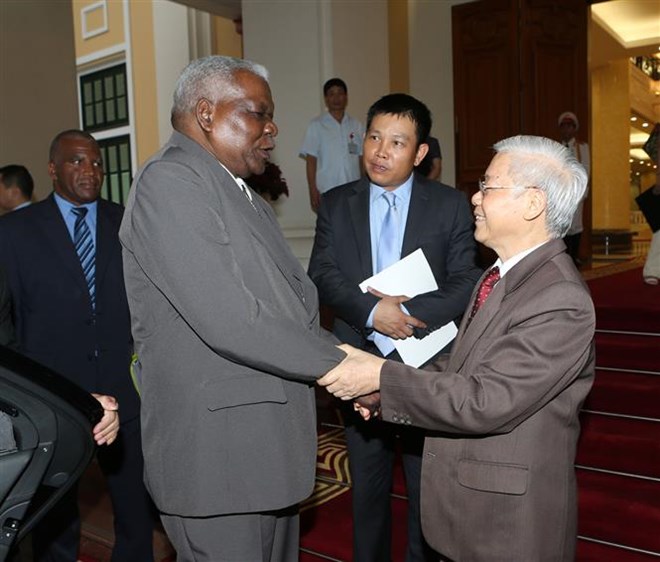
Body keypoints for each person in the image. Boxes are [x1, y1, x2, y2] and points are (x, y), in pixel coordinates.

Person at [318, 135, 595, 561]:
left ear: (532, 204)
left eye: (488, 187)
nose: (475, 199)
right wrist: (385, 389)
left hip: (507, 525)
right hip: (469, 511)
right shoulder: (501, 275)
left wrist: (380, 377)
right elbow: (462, 365)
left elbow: (486, 399)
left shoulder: (559, 298)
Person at [119, 56, 346, 562]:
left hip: (264, 453)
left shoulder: (238, 192)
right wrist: (346, 368)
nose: (272, 128)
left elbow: (290, 311)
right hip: (220, 462)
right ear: (205, 112)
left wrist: (347, 360)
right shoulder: (170, 182)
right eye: (258, 113)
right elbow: (233, 320)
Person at [308, 93, 481, 562]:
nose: (381, 151)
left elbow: (468, 279)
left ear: (420, 153)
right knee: (366, 488)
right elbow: (322, 274)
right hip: (358, 360)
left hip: (426, 363)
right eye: (374, 137)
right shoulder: (337, 203)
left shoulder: (449, 205)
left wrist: (408, 314)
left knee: (427, 487)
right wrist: (371, 312)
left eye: (397, 142)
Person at [0, 129, 155, 562]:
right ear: (53, 169)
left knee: (136, 512)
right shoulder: (13, 233)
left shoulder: (125, 220)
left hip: (126, 397)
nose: (90, 171)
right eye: (77, 162)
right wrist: (28, 395)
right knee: (55, 522)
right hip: (54, 403)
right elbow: (5, 324)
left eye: (96, 162)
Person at [300, 78, 364, 212]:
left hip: (354, 188)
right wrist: (312, 189)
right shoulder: (316, 125)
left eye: (340, 93)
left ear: (346, 97)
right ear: (326, 98)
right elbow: (311, 161)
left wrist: (365, 186)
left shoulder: (356, 125)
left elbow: (361, 158)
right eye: (331, 94)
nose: (336, 98)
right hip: (327, 189)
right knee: (330, 229)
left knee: (353, 229)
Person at [558, 111, 590, 265]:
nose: (566, 130)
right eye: (563, 127)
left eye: (569, 126)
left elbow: (586, 169)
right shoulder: (556, 147)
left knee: (576, 226)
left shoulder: (582, 147)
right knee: (562, 225)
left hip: (576, 192)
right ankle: (564, 259)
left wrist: (581, 192)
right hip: (560, 194)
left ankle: (574, 257)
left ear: (574, 129)